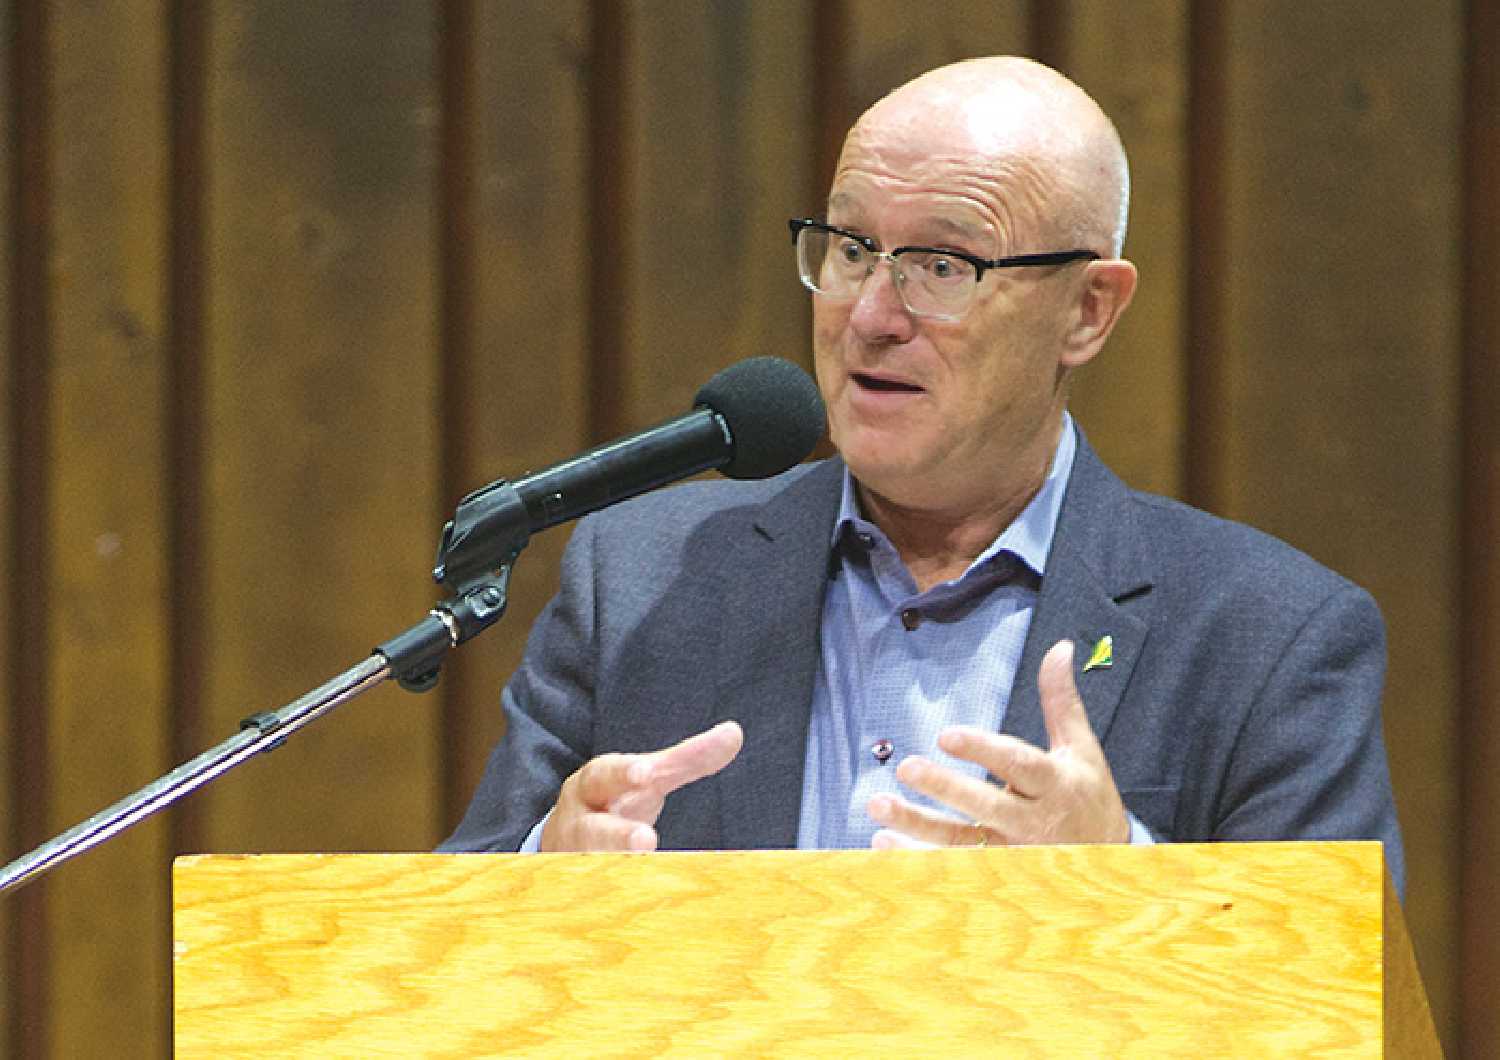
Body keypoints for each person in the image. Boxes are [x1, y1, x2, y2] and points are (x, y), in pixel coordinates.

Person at [439, 56, 1404, 890]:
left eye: (942, 264)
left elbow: (1334, 997)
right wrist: (544, 869)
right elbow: (441, 946)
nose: (869, 314)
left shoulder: (1270, 634)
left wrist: (1123, 871)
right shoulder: (640, 580)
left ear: (1088, 311)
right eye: (853, 249)